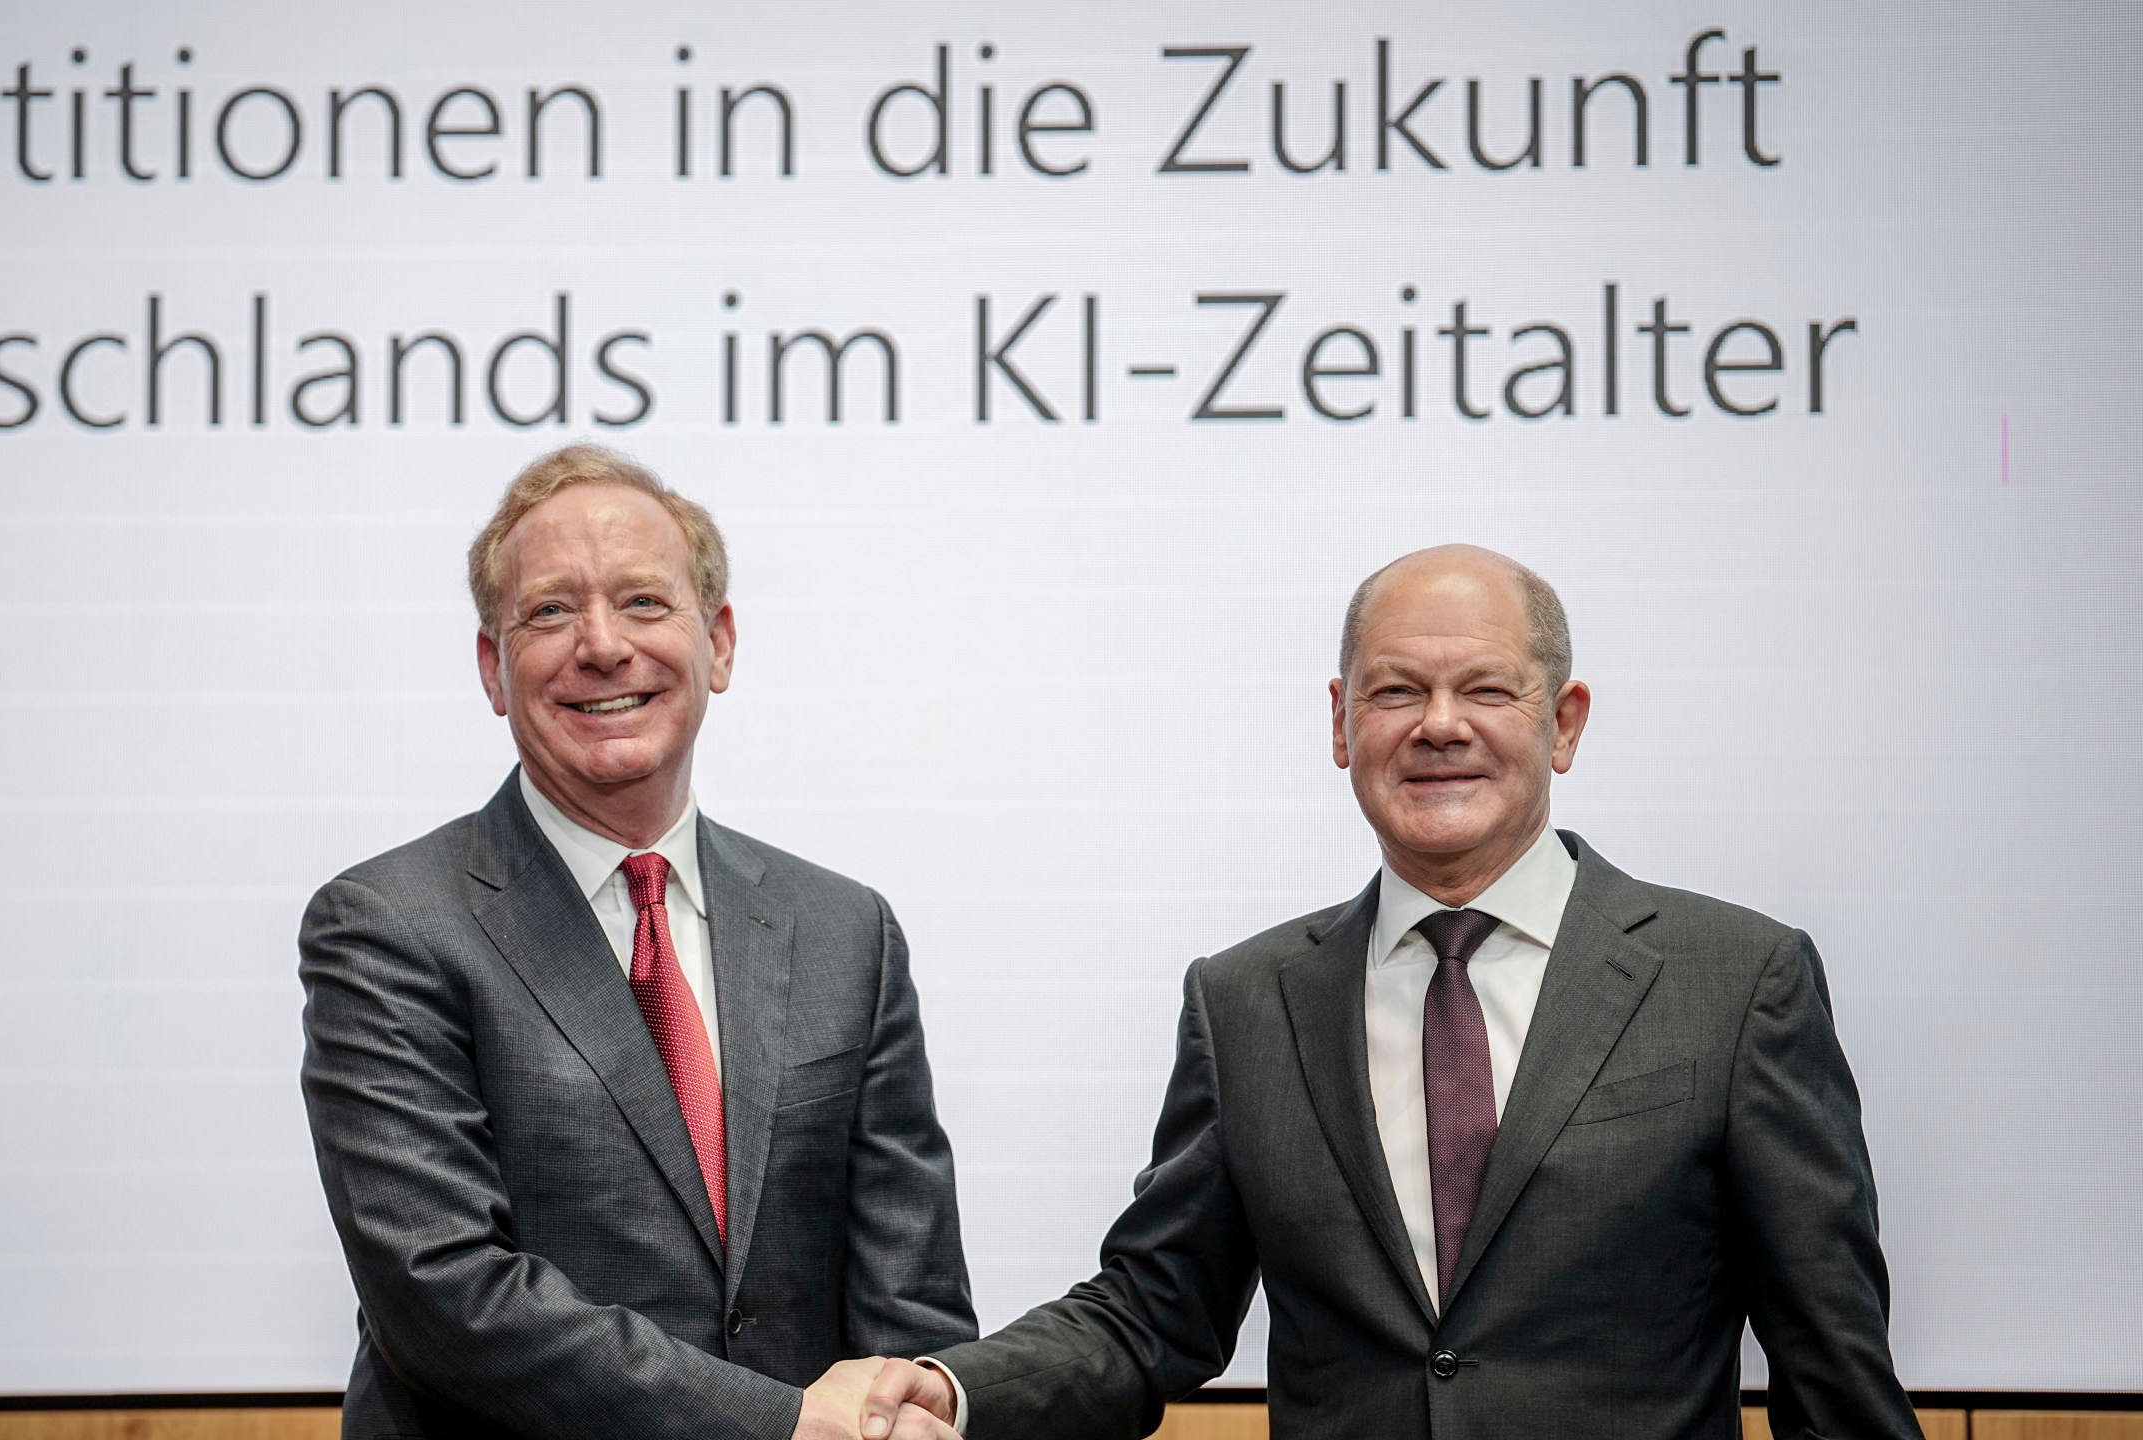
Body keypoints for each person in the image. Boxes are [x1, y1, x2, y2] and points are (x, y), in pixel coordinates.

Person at [852, 544, 1920, 1440]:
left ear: (1564, 722)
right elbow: (1151, 1311)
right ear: (1340, 723)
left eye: (1486, 689)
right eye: (1396, 690)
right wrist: (953, 1391)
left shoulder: (1734, 983)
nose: (1438, 724)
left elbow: (1831, 1368)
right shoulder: (1247, 1003)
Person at [300, 445, 975, 1440]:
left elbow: (911, 1303)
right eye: (549, 611)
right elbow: (444, 1296)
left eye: (645, 603)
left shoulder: (845, 933)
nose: (603, 645)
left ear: (721, 643)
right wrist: (781, 1425)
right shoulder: (387, 926)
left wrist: (910, 1412)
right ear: (492, 666)